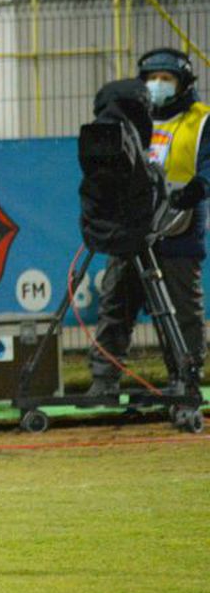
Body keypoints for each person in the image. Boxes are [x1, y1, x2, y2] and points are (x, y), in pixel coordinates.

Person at [88, 48, 208, 396]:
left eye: (166, 79)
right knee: (116, 303)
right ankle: (103, 381)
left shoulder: (201, 120)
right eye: (152, 78)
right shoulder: (128, 116)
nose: (157, 85)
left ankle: (185, 377)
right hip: (131, 225)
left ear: (182, 83)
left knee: (181, 310)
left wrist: (195, 190)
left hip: (178, 225)